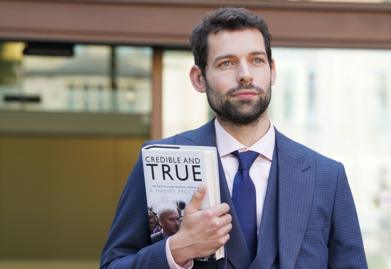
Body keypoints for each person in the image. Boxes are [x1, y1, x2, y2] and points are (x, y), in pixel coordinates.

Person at [100, 7, 367, 269]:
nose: (245, 74)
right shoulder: (158, 161)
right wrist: (174, 251)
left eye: (257, 60)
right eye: (227, 63)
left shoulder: (326, 177)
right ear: (198, 78)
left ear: (272, 71)